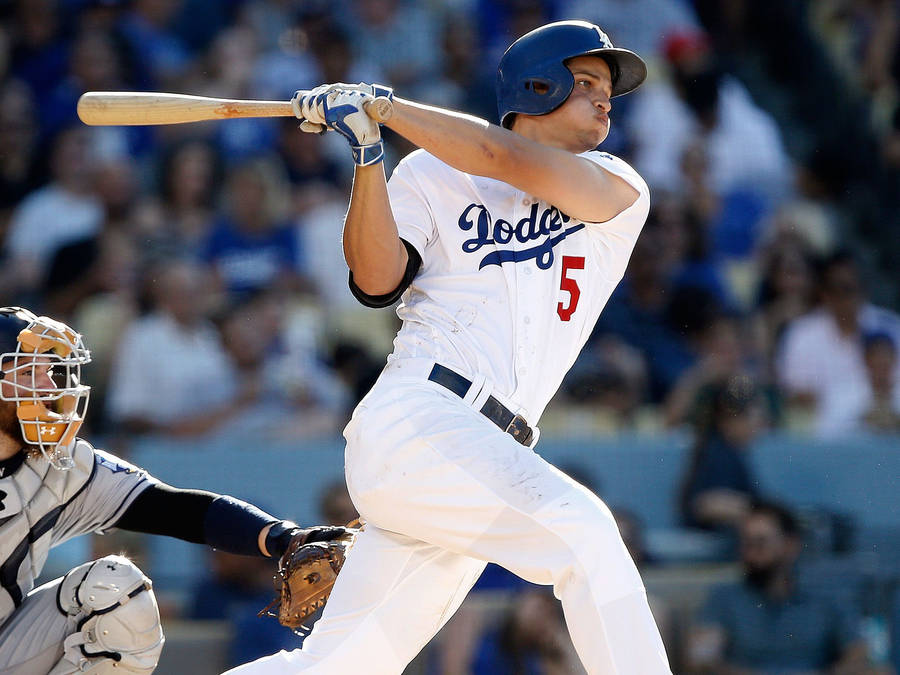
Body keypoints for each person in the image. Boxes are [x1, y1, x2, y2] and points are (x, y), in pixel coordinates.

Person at [229, 19, 670, 674]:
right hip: (422, 418)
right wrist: (369, 153)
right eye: (586, 83)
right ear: (537, 86)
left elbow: (502, 158)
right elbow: (376, 280)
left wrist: (387, 104)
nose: (605, 99)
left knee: (337, 665)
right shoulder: (431, 172)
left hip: (485, 454)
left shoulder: (615, 182)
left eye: (608, 88)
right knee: (587, 535)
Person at [0, 306, 349, 673]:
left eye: (48, 371)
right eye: (27, 372)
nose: (50, 387)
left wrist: (284, 538)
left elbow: (175, 509)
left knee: (116, 589)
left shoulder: (61, 464)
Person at [687, 501, 875, 674]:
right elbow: (703, 658)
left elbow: (858, 652)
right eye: (745, 543)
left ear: (790, 545)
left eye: (760, 543)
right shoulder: (725, 598)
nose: (750, 554)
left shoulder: (823, 598)